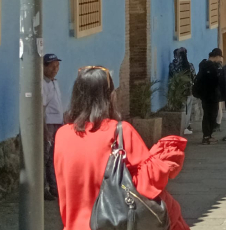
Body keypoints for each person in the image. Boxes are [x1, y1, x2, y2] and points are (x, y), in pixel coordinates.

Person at [54, 66, 189, 230]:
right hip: (113, 223)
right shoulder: (119, 131)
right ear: (110, 97)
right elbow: (147, 182)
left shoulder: (62, 135)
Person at [42, 53, 64, 200]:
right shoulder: (42, 84)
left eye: (57, 66)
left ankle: (55, 187)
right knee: (45, 157)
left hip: (57, 123)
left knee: (54, 157)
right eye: (52, 66)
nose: (55, 69)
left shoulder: (54, 82)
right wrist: (44, 130)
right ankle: (44, 188)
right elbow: (41, 108)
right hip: (48, 123)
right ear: (44, 67)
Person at [169, 47, 198, 135]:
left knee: (180, 109)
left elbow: (171, 77)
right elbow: (194, 77)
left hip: (177, 90)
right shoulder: (190, 65)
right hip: (188, 89)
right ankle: (185, 127)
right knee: (187, 109)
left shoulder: (172, 65)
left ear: (175, 55)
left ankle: (179, 127)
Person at [196, 53, 223, 145]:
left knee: (206, 115)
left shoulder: (202, 66)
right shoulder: (213, 68)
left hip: (204, 95)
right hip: (213, 95)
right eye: (219, 57)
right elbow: (216, 81)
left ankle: (207, 136)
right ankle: (208, 136)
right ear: (216, 56)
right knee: (212, 115)